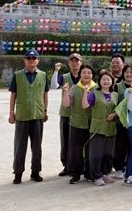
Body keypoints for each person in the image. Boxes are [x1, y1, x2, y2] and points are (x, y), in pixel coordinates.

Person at [8, 48, 49, 184]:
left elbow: (45, 94)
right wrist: (11, 113)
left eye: (34, 58)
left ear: (38, 60)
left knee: (37, 146)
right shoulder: (18, 75)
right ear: (24, 60)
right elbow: (13, 94)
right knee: (20, 146)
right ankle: (18, 173)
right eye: (28, 58)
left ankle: (35, 172)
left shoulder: (43, 75)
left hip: (37, 114)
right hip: (22, 115)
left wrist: (45, 111)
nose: (31, 60)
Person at [82, 69, 118, 186]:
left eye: (108, 79)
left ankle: (105, 173)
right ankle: (96, 176)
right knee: (96, 154)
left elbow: (119, 109)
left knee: (108, 154)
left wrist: (114, 115)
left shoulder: (115, 95)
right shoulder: (94, 93)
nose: (106, 81)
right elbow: (85, 106)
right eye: (103, 79)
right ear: (99, 81)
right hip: (97, 128)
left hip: (110, 128)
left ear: (112, 81)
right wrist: (85, 93)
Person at [61, 64, 96, 184]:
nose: (86, 75)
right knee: (75, 150)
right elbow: (66, 104)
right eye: (84, 72)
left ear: (92, 75)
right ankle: (75, 174)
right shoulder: (74, 88)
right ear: (80, 74)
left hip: (92, 124)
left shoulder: (96, 88)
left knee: (91, 150)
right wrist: (65, 92)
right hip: (76, 123)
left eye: (89, 73)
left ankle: (89, 173)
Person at [50, 52, 82, 176]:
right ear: (68, 63)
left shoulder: (85, 76)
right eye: (72, 61)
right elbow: (54, 86)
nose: (74, 63)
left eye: (77, 61)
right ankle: (66, 165)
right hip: (66, 113)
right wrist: (56, 71)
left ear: (81, 62)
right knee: (65, 140)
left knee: (79, 141)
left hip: (81, 114)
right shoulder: (64, 77)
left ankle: (79, 165)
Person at [113, 64, 132, 179]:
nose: (129, 74)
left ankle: (128, 166)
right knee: (120, 146)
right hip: (121, 121)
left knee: (131, 145)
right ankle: (118, 168)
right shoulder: (117, 86)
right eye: (127, 72)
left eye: (131, 72)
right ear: (123, 73)